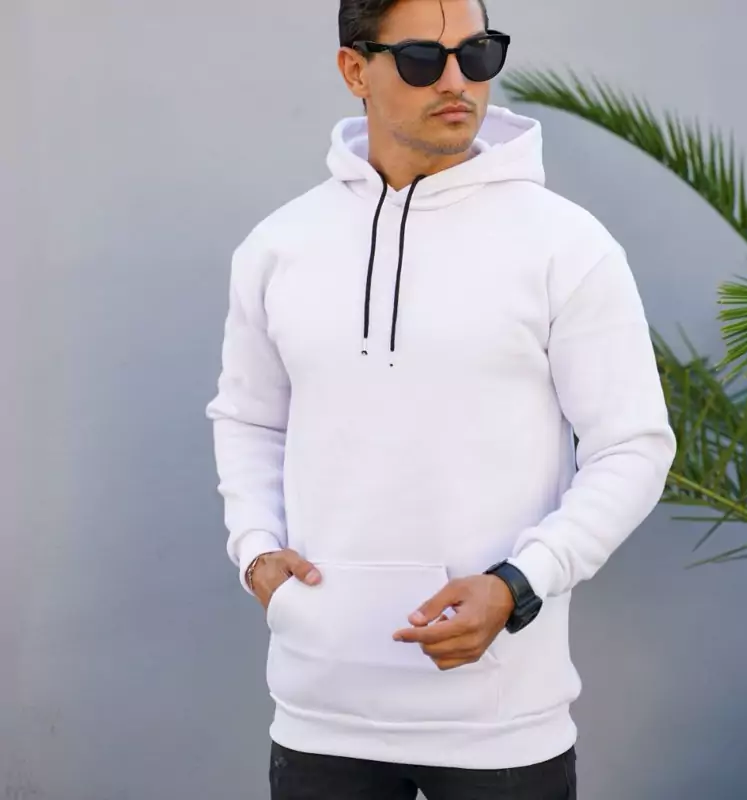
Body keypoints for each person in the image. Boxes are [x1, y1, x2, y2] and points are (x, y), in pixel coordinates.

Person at [205, 1, 676, 797]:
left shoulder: (567, 246)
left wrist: (519, 584)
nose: (458, 80)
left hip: (502, 719)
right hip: (320, 712)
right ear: (355, 70)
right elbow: (249, 418)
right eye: (424, 58)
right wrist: (254, 550)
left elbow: (633, 447)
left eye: (478, 54)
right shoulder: (278, 247)